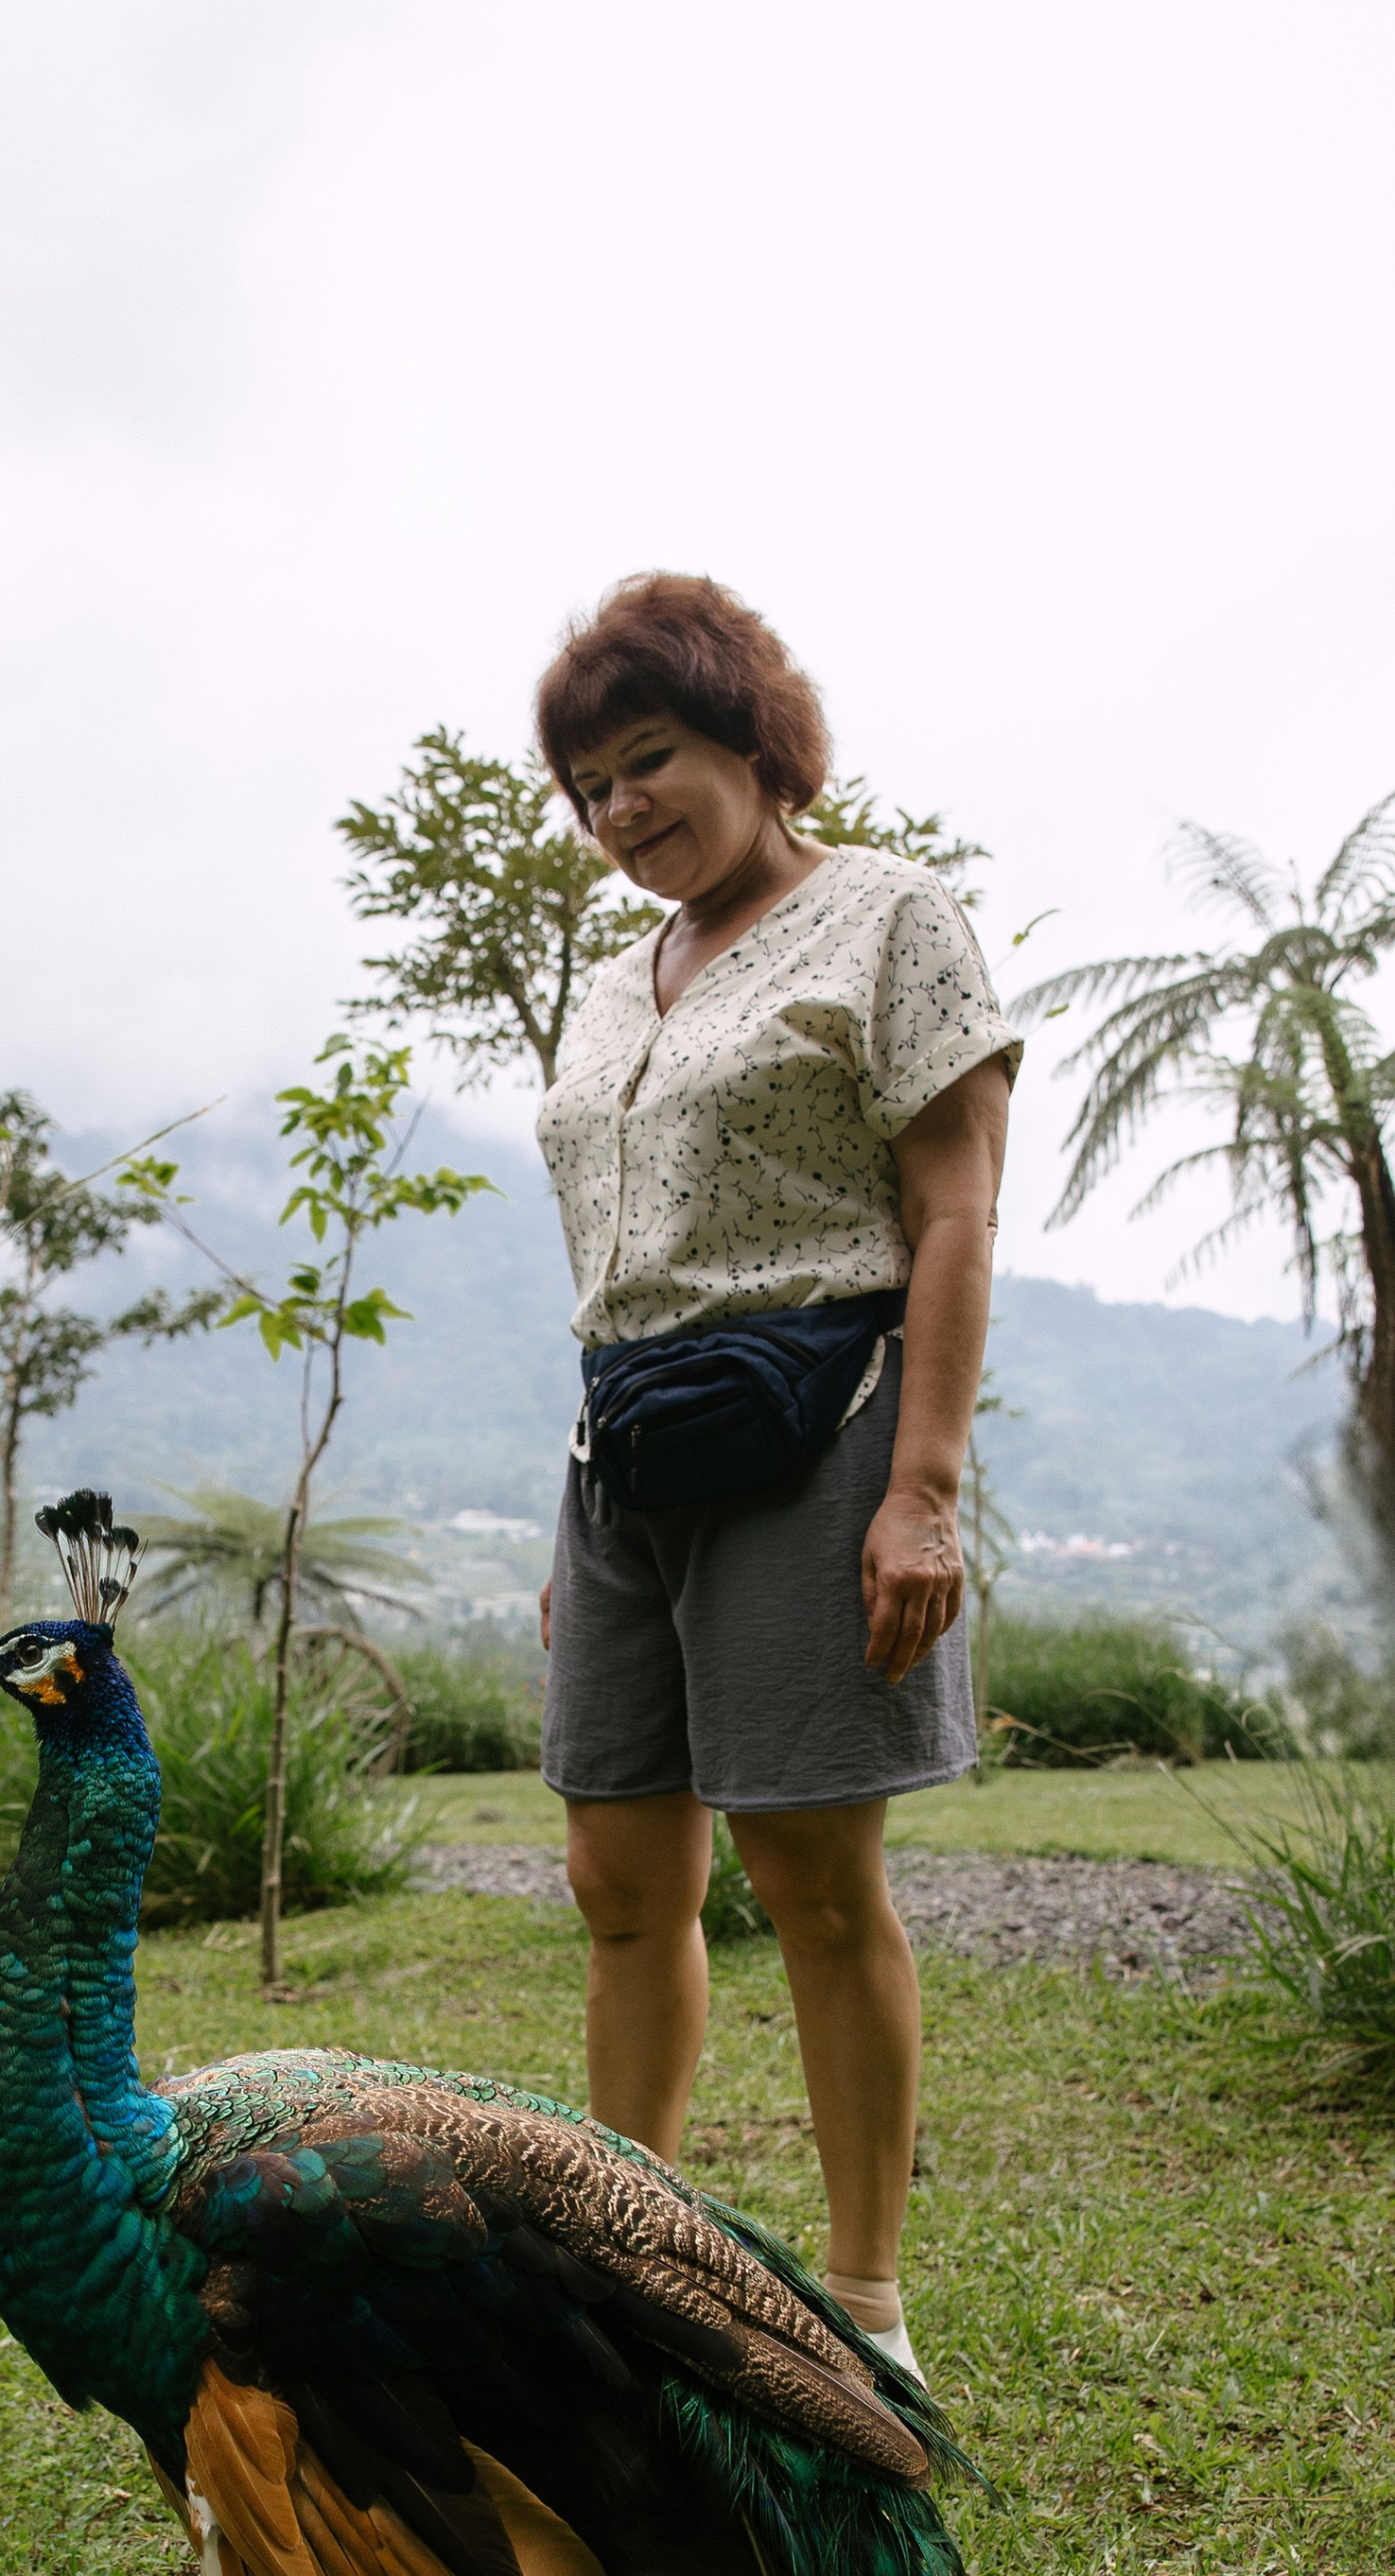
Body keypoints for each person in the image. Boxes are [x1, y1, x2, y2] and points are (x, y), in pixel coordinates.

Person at [532, 573, 1019, 2379]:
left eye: (648, 758)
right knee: (614, 1880)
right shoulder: (607, 986)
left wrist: (926, 1487)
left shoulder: (890, 919)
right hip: (623, 1447)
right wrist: (579, 1509)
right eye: (590, 786)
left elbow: (953, 1214)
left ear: (751, 735)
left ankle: (867, 2302)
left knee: (814, 1875)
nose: (620, 808)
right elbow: (615, 1254)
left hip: (819, 1435)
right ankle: (625, 2263)